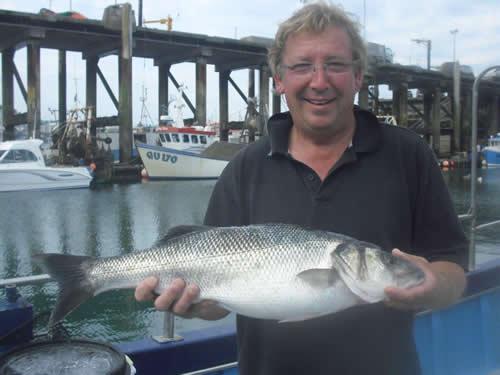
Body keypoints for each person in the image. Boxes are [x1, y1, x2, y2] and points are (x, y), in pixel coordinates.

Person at [135, 3, 468, 374]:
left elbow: (454, 270)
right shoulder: (244, 168)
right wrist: (197, 303)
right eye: (302, 66)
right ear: (279, 79)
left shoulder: (408, 156)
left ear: (358, 76)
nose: (320, 81)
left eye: (336, 65)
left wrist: (433, 284)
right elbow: (219, 305)